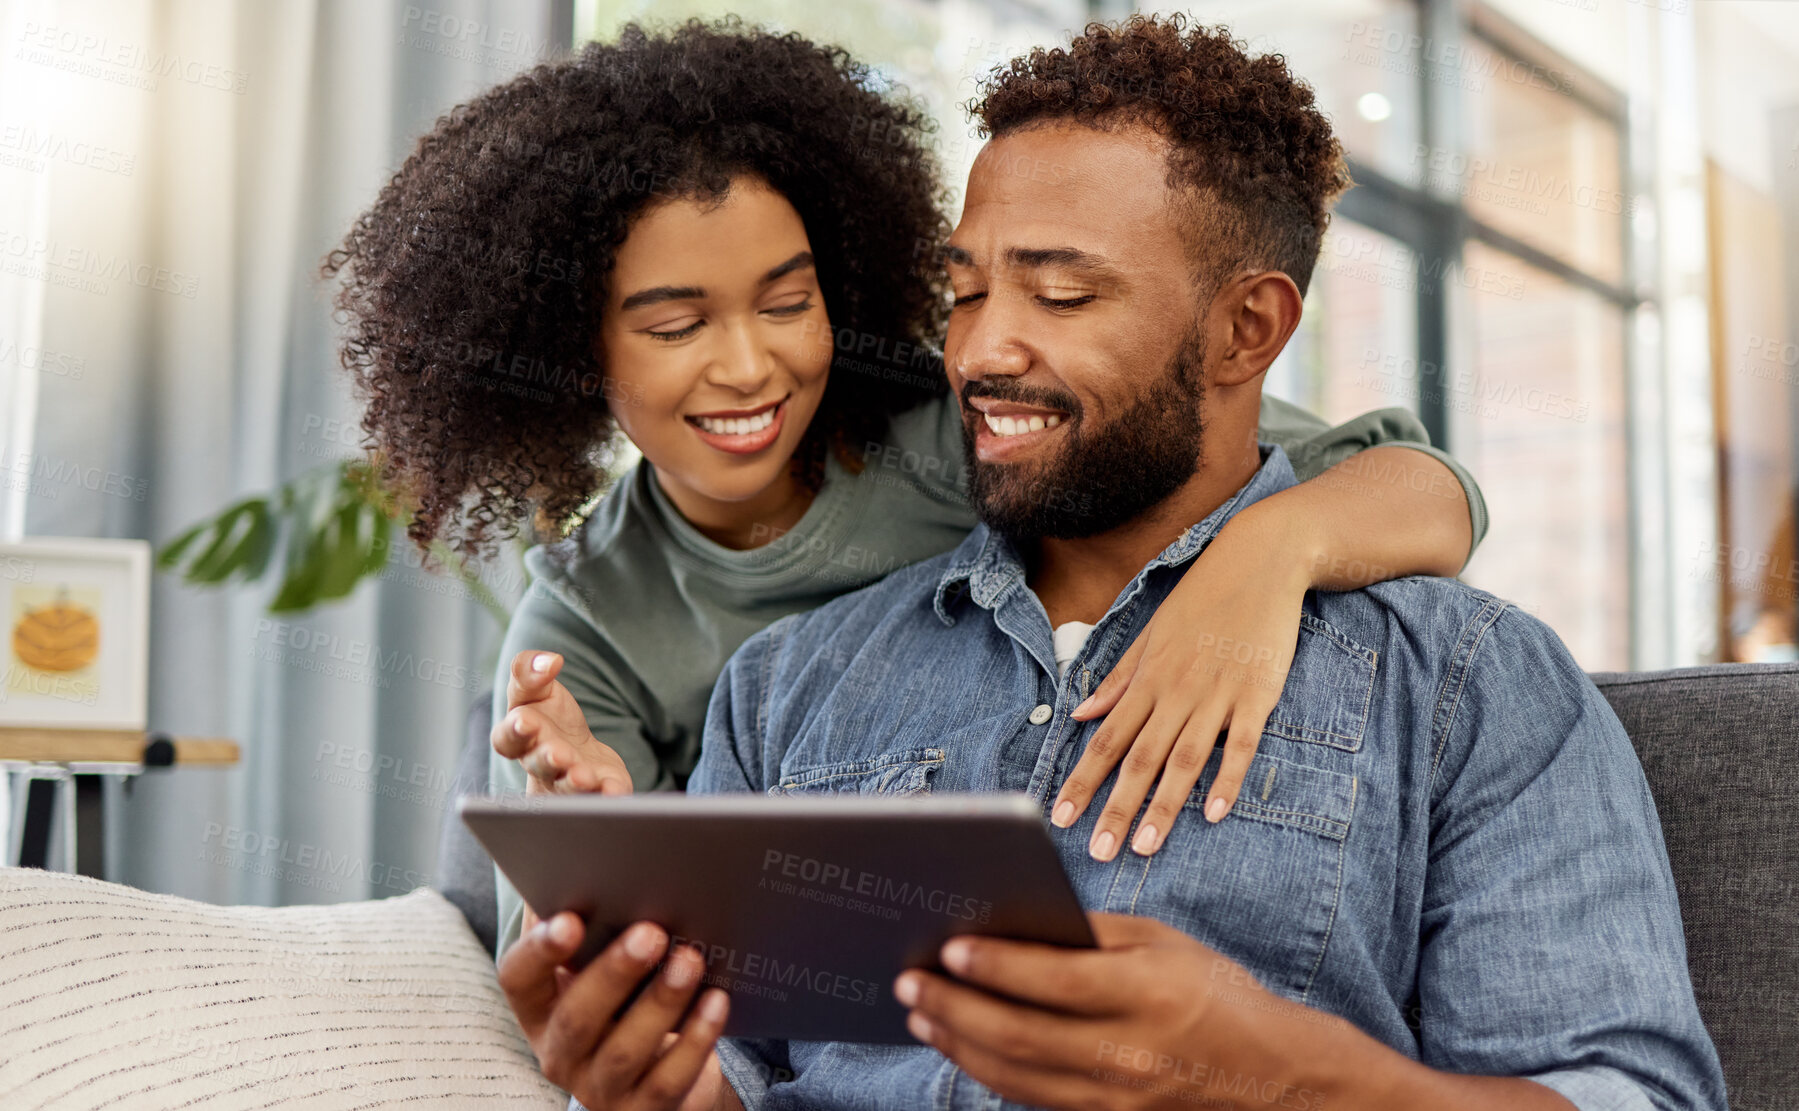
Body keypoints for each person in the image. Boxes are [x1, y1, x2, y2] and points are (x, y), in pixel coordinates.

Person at [495, 15, 1726, 1111]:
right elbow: (736, 1080)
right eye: (964, 291)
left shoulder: (1464, 684)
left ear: (1248, 329)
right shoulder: (781, 690)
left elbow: (1630, 1091)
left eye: (1063, 297)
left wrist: (1278, 1077)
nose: (982, 350)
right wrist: (643, 1064)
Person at [323, 17, 1486, 968]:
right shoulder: (589, 620)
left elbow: (1423, 488)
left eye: (786, 302)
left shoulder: (972, 425)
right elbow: (581, 1008)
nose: (746, 366)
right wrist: (594, 846)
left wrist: (1260, 558)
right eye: (676, 325)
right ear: (575, 355)